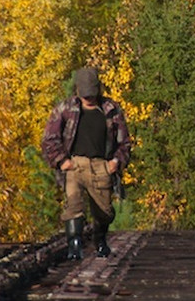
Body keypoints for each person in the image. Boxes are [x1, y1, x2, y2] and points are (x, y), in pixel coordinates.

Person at [41, 66, 132, 260]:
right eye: (85, 94)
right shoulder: (65, 109)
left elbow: (124, 142)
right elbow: (49, 139)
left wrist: (116, 161)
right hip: (75, 165)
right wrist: (61, 161)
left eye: (91, 93)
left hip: (102, 165)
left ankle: (100, 241)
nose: (88, 98)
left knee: (104, 212)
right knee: (73, 205)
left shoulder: (111, 109)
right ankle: (74, 245)